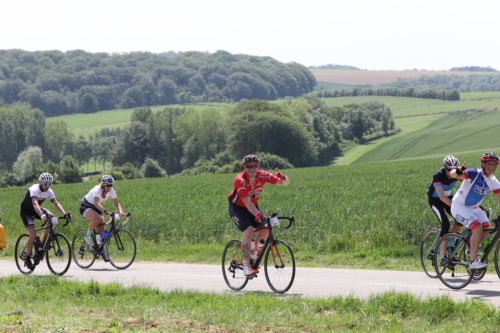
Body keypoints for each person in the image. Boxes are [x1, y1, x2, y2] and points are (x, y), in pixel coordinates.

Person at [227, 154, 290, 276]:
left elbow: (284, 183)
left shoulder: (263, 175)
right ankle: (246, 267)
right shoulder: (240, 180)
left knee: (265, 230)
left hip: (253, 206)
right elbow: (246, 201)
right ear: (244, 168)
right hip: (238, 208)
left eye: (254, 166)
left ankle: (253, 256)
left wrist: (283, 177)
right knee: (248, 231)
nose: (252, 169)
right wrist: (257, 214)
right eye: (248, 166)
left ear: (258, 166)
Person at [450, 152, 500, 269]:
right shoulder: (475, 173)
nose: (491, 167)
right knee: (477, 228)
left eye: (494, 164)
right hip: (459, 206)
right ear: (483, 164)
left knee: (488, 230)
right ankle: (473, 261)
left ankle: (471, 250)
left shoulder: (493, 181)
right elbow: (454, 174)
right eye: (489, 164)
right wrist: (458, 170)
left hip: (474, 208)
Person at [19, 173, 70, 270]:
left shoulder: (49, 191)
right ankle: (28, 257)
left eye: (50, 184)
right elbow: (34, 203)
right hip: (26, 212)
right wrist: (41, 214)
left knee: (52, 218)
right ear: (41, 183)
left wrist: (64, 214)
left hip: (37, 210)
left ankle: (43, 242)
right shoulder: (34, 189)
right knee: (33, 234)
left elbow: (56, 203)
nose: (48, 186)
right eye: (46, 184)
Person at [79, 175, 126, 261]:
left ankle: (104, 253)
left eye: (111, 185)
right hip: (86, 206)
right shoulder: (97, 189)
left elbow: (116, 203)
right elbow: (97, 203)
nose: (109, 187)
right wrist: (106, 212)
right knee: (96, 218)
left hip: (97, 209)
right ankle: (87, 236)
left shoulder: (111, 191)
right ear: (103, 184)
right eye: (108, 185)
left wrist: (121, 212)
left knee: (103, 234)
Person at [427, 156, 466, 257]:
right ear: (445, 168)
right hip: (436, 200)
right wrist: (457, 206)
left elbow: (468, 185)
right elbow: (441, 197)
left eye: (454, 169)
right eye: (449, 169)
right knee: (445, 224)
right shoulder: (438, 175)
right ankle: (442, 255)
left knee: (460, 219)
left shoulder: (457, 173)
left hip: (448, 197)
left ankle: (451, 240)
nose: (451, 171)